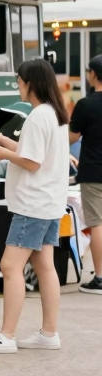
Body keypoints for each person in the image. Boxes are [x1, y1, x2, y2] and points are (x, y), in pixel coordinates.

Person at [0, 60, 69, 353]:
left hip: (32, 204)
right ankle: (48, 333)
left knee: (9, 266)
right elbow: (35, 153)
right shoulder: (53, 114)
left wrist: (2, 152)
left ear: (31, 82)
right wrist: (5, 140)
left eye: (19, 80)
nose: (17, 84)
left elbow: (32, 162)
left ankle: (7, 335)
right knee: (44, 267)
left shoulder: (38, 115)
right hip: (49, 202)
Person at [72, 55, 102, 293]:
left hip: (93, 171)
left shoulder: (86, 104)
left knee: (97, 223)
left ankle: (100, 277)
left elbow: (72, 137)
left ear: (93, 74)